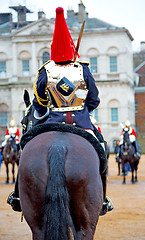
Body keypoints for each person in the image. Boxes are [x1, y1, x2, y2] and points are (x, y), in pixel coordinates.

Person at [7, 7, 113, 214]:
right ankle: (102, 200)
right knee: (101, 148)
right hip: (82, 123)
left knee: (26, 146)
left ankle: (17, 195)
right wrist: (82, 108)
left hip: (51, 123)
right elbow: (94, 99)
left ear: (53, 47)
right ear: (71, 45)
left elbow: (39, 103)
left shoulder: (45, 70)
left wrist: (50, 105)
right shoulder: (82, 68)